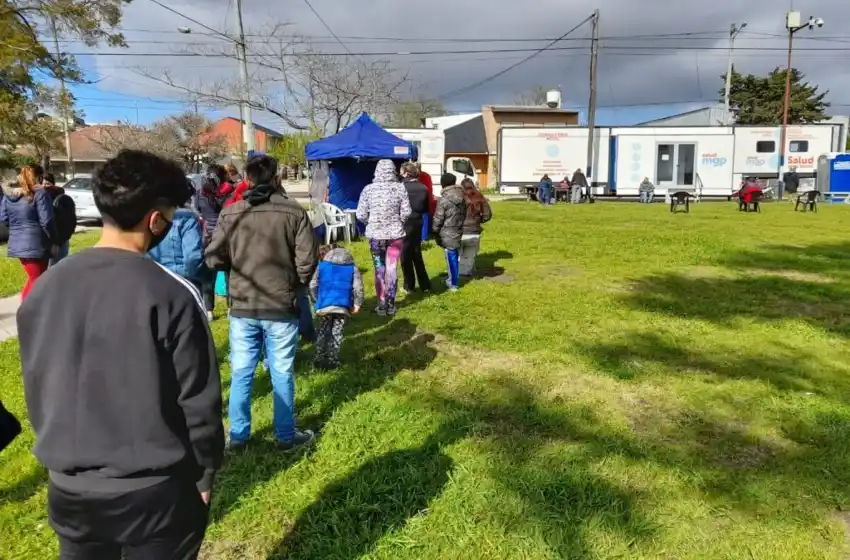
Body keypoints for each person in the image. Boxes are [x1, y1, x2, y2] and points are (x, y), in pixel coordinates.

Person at [16, 150, 224, 559]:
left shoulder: (44, 289)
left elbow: (37, 381)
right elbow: (199, 400)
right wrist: (204, 475)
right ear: (155, 219)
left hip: (69, 489)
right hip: (156, 492)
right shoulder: (171, 294)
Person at [205, 154, 318, 451]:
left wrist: (235, 265)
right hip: (281, 304)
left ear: (247, 179)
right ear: (276, 177)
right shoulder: (294, 212)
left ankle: (239, 437)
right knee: (281, 371)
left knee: (242, 371)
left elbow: (213, 257)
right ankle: (284, 436)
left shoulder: (232, 214)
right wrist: (295, 284)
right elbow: (307, 259)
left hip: (243, 304)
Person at [356, 159, 411, 317]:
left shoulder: (368, 189)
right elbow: (407, 212)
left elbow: (360, 214)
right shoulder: (400, 188)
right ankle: (391, 304)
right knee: (392, 268)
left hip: (375, 235)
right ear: (393, 171)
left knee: (379, 269)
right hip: (395, 235)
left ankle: (381, 305)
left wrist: (371, 222)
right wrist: (398, 221)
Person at [0, 164, 57, 299]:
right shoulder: (40, 193)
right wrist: (55, 239)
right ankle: (26, 312)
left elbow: (3, 218)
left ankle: (34, 311)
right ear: (39, 176)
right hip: (37, 243)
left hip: (19, 242)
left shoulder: (9, 196)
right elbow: (47, 221)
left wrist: (17, 230)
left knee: (37, 278)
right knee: (36, 280)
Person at [309, 244, 364, 370]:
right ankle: (333, 360)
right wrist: (357, 305)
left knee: (322, 332)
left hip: (324, 307)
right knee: (337, 332)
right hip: (342, 307)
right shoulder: (352, 268)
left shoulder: (321, 266)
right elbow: (358, 288)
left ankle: (318, 360)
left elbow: (312, 284)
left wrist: (317, 300)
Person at [148, 205, 208, 318]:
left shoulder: (145, 216)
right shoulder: (186, 217)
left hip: (153, 282)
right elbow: (193, 258)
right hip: (182, 283)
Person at [194, 172, 225, 319]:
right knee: (228, 272)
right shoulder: (220, 197)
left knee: (207, 275)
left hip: (206, 236)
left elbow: (198, 212)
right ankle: (231, 308)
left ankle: (209, 310)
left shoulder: (199, 197)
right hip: (221, 234)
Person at [400, 162, 432, 293]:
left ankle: (409, 285)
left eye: (401, 172)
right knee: (417, 252)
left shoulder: (400, 187)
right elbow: (425, 208)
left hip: (404, 222)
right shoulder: (423, 188)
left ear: (406, 173)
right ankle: (425, 285)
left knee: (405, 254)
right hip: (418, 221)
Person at [433, 173, 467, 292]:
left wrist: (434, 230)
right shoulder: (462, 196)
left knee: (450, 255)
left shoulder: (444, 199)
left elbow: (438, 217)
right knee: (454, 254)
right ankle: (451, 279)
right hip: (457, 228)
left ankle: (453, 284)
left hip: (446, 231)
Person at [459, 178, 493, 277]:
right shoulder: (480, 197)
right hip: (474, 230)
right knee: (471, 254)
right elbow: (488, 215)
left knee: (459, 254)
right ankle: (467, 271)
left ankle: (459, 272)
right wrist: (479, 221)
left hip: (459, 230)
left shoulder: (458, 197)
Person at [42, 173, 77, 266]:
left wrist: (57, 242)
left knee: (56, 269)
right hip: (46, 241)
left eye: (47, 184)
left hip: (60, 240)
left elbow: (67, 223)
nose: (44, 187)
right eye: (42, 184)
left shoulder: (62, 201)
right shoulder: (40, 200)